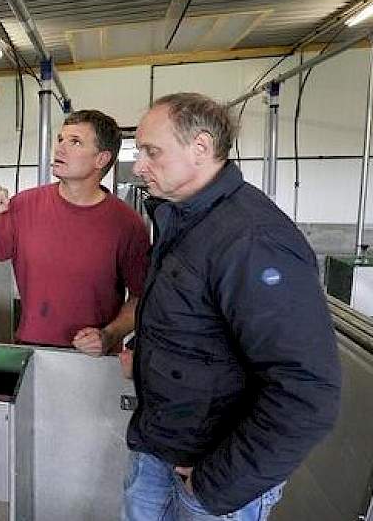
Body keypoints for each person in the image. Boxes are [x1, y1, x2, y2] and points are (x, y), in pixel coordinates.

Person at [122, 92, 341, 520]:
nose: (138, 166)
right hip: (159, 450)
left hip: (208, 478)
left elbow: (307, 391)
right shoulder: (183, 219)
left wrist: (214, 484)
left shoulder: (251, 238)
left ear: (200, 147)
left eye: (151, 151)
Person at [0, 109, 150, 352]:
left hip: (93, 358)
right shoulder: (23, 205)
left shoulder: (127, 224)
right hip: (31, 350)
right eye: (61, 139)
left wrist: (108, 335)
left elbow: (141, 298)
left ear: (101, 159)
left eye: (75, 142)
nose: (60, 148)